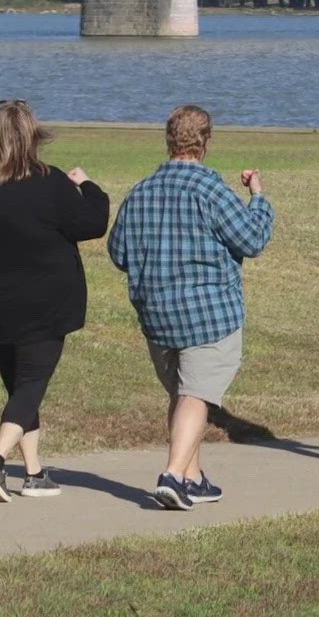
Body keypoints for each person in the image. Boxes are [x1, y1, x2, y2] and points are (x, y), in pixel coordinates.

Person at [0, 100, 110, 502]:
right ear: (34, 135)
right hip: (48, 301)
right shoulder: (50, 182)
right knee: (31, 384)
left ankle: (33, 473)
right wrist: (89, 186)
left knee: (19, 386)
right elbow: (93, 223)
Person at [108, 105, 273, 510]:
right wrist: (259, 197)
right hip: (208, 312)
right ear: (206, 141)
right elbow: (252, 239)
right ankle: (173, 476)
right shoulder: (210, 189)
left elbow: (119, 251)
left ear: (169, 141)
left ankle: (194, 476)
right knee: (197, 394)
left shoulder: (141, 191)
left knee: (185, 395)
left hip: (157, 312)